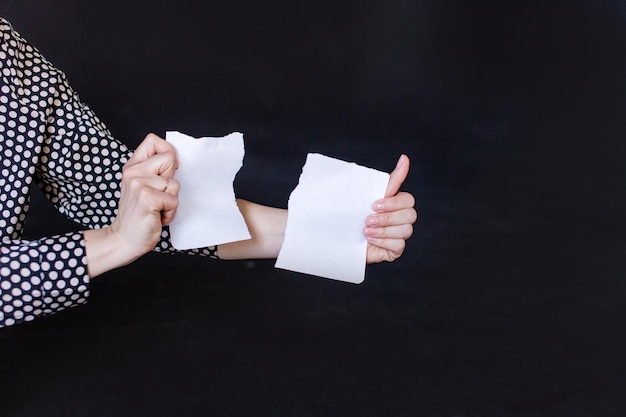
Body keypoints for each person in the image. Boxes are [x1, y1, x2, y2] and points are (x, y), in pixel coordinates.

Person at [0, 17, 417, 328]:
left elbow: (110, 190)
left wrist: (338, 231)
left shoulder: (8, 58)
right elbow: (121, 229)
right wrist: (113, 242)